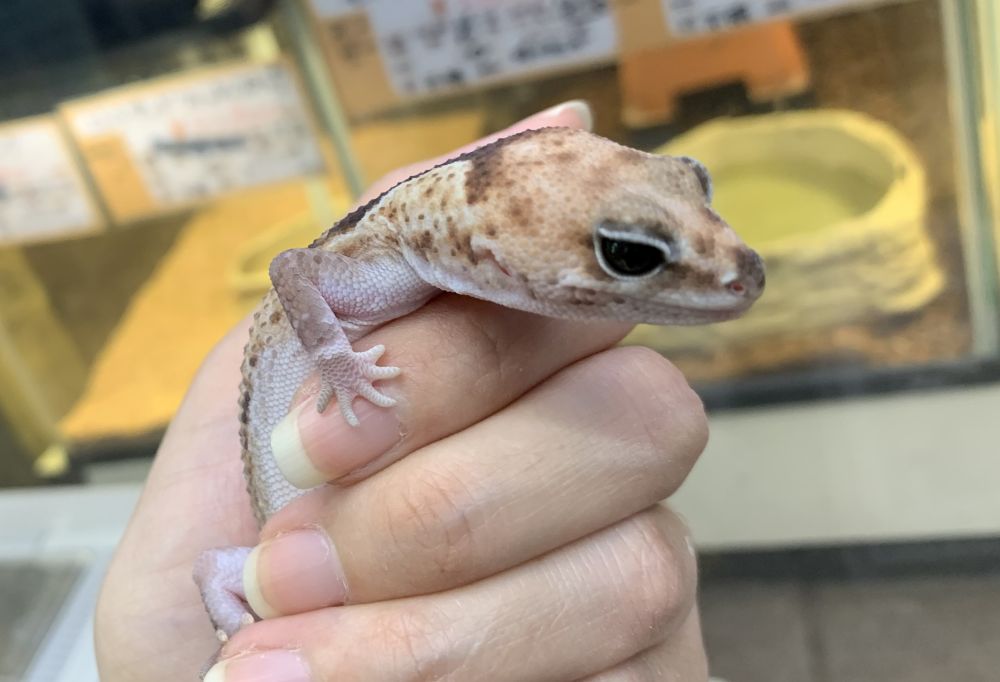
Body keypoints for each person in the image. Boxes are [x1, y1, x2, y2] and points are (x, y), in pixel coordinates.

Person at [95, 101, 713, 681]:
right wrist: (335, 360)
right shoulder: (383, 260)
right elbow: (291, 268)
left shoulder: (445, 262)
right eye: (627, 254)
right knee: (231, 570)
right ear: (494, 247)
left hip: (304, 569)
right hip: (271, 561)